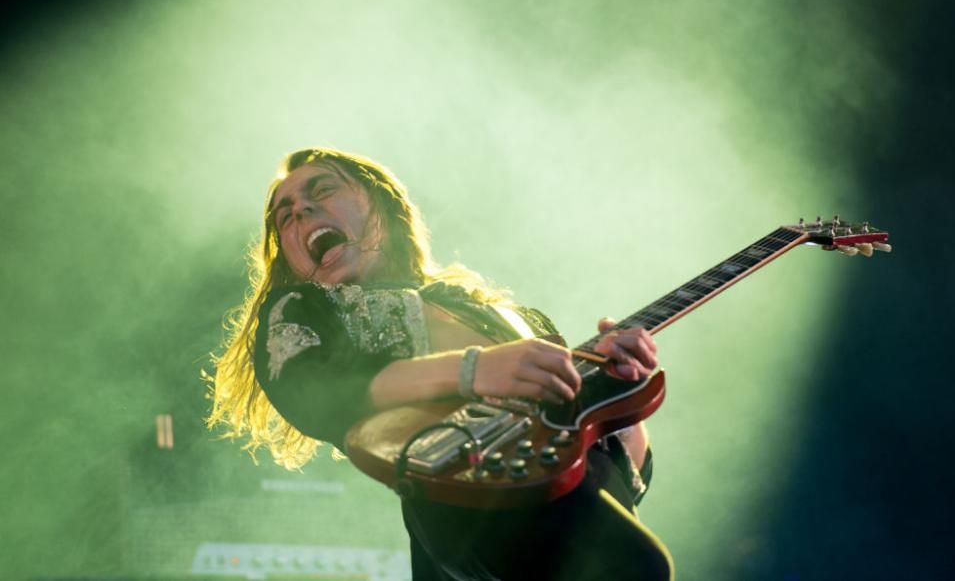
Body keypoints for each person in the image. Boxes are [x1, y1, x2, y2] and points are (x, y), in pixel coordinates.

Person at [208, 147, 673, 580]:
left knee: (638, 563)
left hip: (579, 498)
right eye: (284, 216)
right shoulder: (303, 306)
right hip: (471, 504)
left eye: (323, 189)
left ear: (381, 203)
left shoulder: (508, 315)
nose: (301, 211)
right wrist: (473, 370)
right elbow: (312, 389)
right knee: (639, 566)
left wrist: (619, 391)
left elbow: (624, 473)